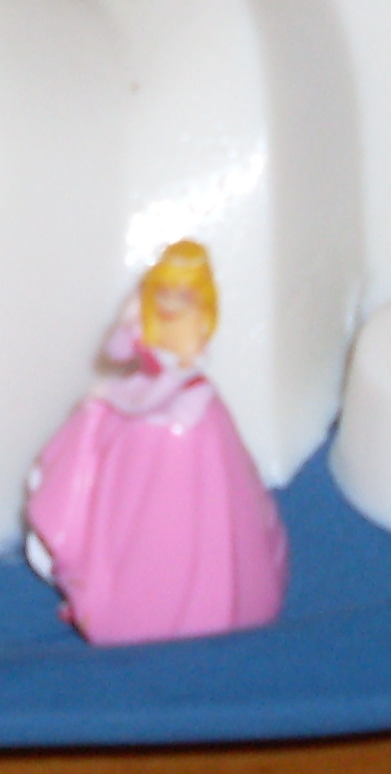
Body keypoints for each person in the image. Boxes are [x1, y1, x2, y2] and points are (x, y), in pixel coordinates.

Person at [24, 240, 288, 646]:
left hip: (179, 418)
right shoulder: (145, 321)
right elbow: (118, 352)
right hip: (143, 409)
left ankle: (163, 600)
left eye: (181, 295)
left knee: (180, 500)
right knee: (97, 440)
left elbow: (175, 378)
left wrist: (128, 399)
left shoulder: (193, 337)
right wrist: (129, 321)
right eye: (163, 291)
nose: (169, 302)